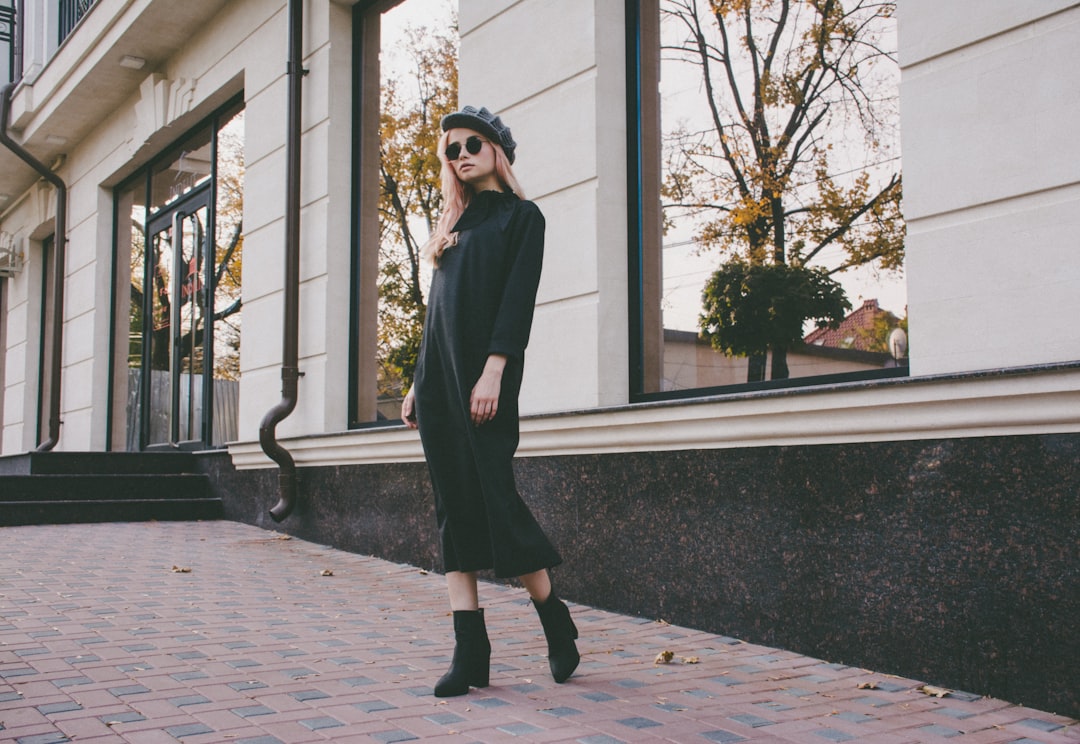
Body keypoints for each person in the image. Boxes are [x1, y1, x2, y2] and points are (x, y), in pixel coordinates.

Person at [401, 105, 579, 697]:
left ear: (497, 148)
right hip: (439, 385)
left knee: (495, 502)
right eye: (451, 150)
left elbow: (516, 304)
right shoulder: (451, 226)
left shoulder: (522, 219)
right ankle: (470, 650)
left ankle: (556, 621)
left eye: (472, 143)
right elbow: (436, 318)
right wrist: (415, 382)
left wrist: (495, 371)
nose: (461, 155)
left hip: (485, 384)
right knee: (454, 507)